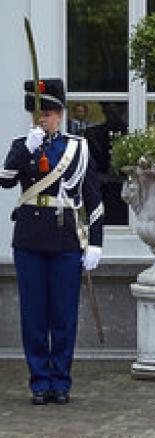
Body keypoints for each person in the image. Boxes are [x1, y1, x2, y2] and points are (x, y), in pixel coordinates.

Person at [0, 78, 104, 405]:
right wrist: (24, 150)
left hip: (65, 238)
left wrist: (96, 242)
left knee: (63, 315)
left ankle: (60, 380)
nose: (43, 118)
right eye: (38, 112)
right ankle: (39, 382)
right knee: (33, 316)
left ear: (60, 113)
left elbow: (94, 199)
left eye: (49, 112)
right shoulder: (23, 144)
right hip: (30, 239)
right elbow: (4, 181)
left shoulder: (78, 147)